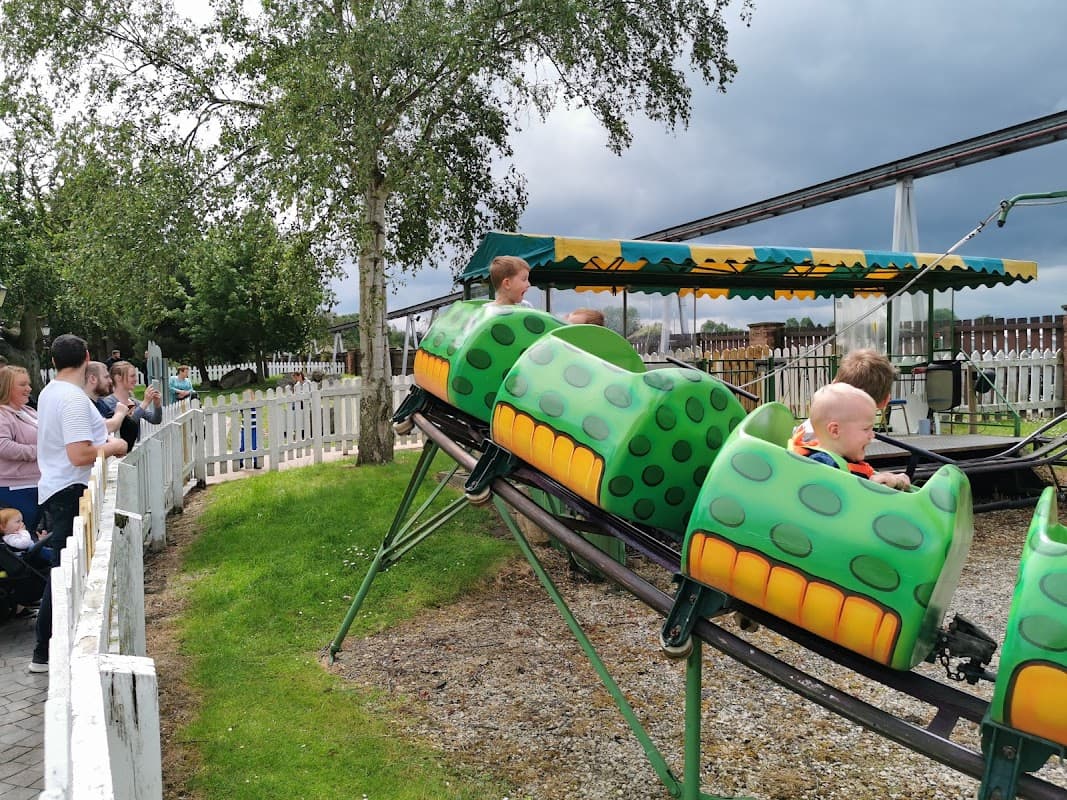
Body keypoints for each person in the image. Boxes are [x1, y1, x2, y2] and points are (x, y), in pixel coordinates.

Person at [30, 333, 128, 673]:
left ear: (53, 360)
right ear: (87, 356)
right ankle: (43, 651)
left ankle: (47, 646)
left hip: (59, 488)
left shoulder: (50, 392)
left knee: (66, 569)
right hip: (69, 490)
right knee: (65, 573)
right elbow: (79, 454)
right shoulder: (71, 398)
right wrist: (115, 447)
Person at [798, 383, 910, 490]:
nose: (872, 435)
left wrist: (890, 480)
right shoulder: (822, 465)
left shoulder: (846, 460)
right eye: (866, 429)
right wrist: (874, 486)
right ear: (835, 431)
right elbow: (844, 499)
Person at [791, 347, 898, 450]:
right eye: (866, 429)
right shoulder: (835, 448)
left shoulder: (807, 432)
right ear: (885, 401)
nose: (871, 436)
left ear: (834, 383)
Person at [0, 365, 42, 531]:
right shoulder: (2, 415)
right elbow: (4, 446)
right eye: (22, 385)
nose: (29, 389)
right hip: (15, 488)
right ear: (7, 387)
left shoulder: (29, 411)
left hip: (36, 482)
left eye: (28, 384)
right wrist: (39, 452)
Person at [103, 360, 162, 450]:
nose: (135, 380)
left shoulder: (134, 402)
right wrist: (145, 403)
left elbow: (155, 420)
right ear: (118, 378)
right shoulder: (108, 402)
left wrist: (157, 404)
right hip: (116, 455)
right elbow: (125, 425)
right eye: (132, 376)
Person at [84, 361, 129, 435]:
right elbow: (105, 427)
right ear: (92, 379)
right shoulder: (83, 404)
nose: (110, 381)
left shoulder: (100, 402)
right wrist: (120, 413)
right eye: (106, 377)